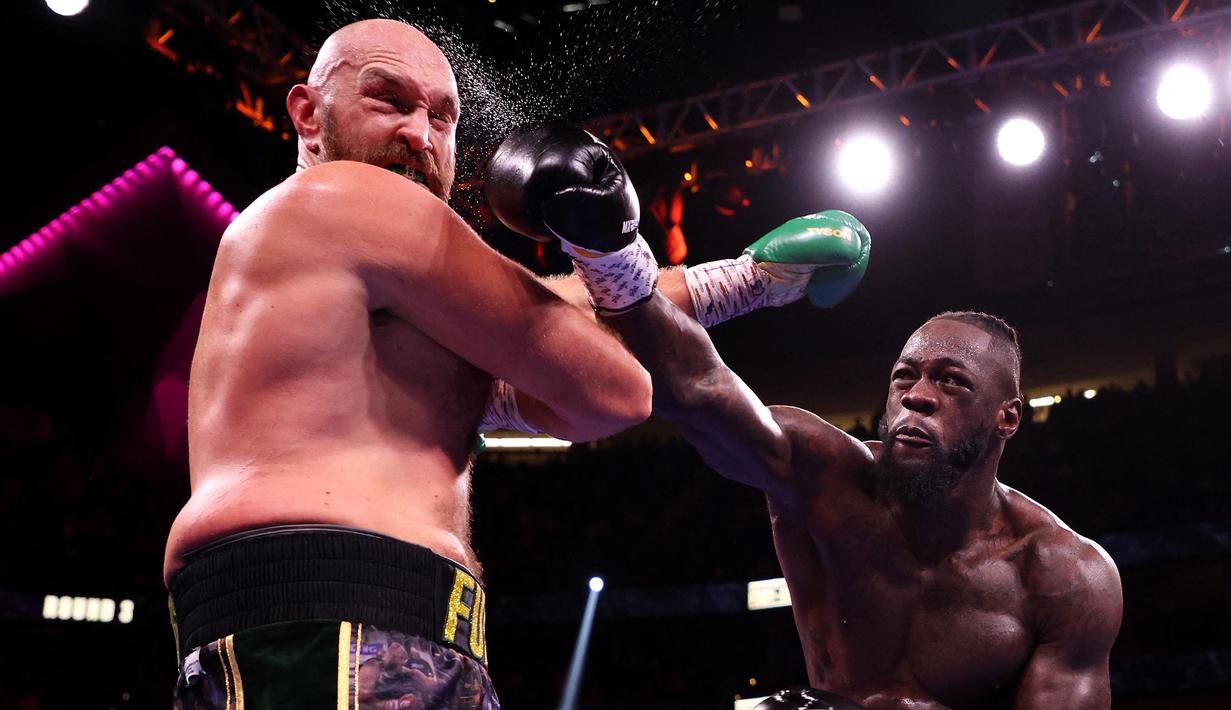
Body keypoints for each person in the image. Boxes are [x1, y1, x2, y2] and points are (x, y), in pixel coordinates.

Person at [490, 125, 1123, 709]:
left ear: (1007, 418)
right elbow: (699, 387)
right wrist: (611, 256)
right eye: (904, 377)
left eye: (952, 382)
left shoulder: (1064, 576)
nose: (917, 396)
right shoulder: (823, 473)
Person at [162, 18, 659, 709]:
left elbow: (561, 318)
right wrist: (614, 251)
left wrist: (751, 276)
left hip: (344, 625)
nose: (420, 136)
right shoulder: (350, 195)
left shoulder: (343, 271)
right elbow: (615, 389)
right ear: (308, 115)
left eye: (442, 117)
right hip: (334, 622)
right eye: (389, 101)